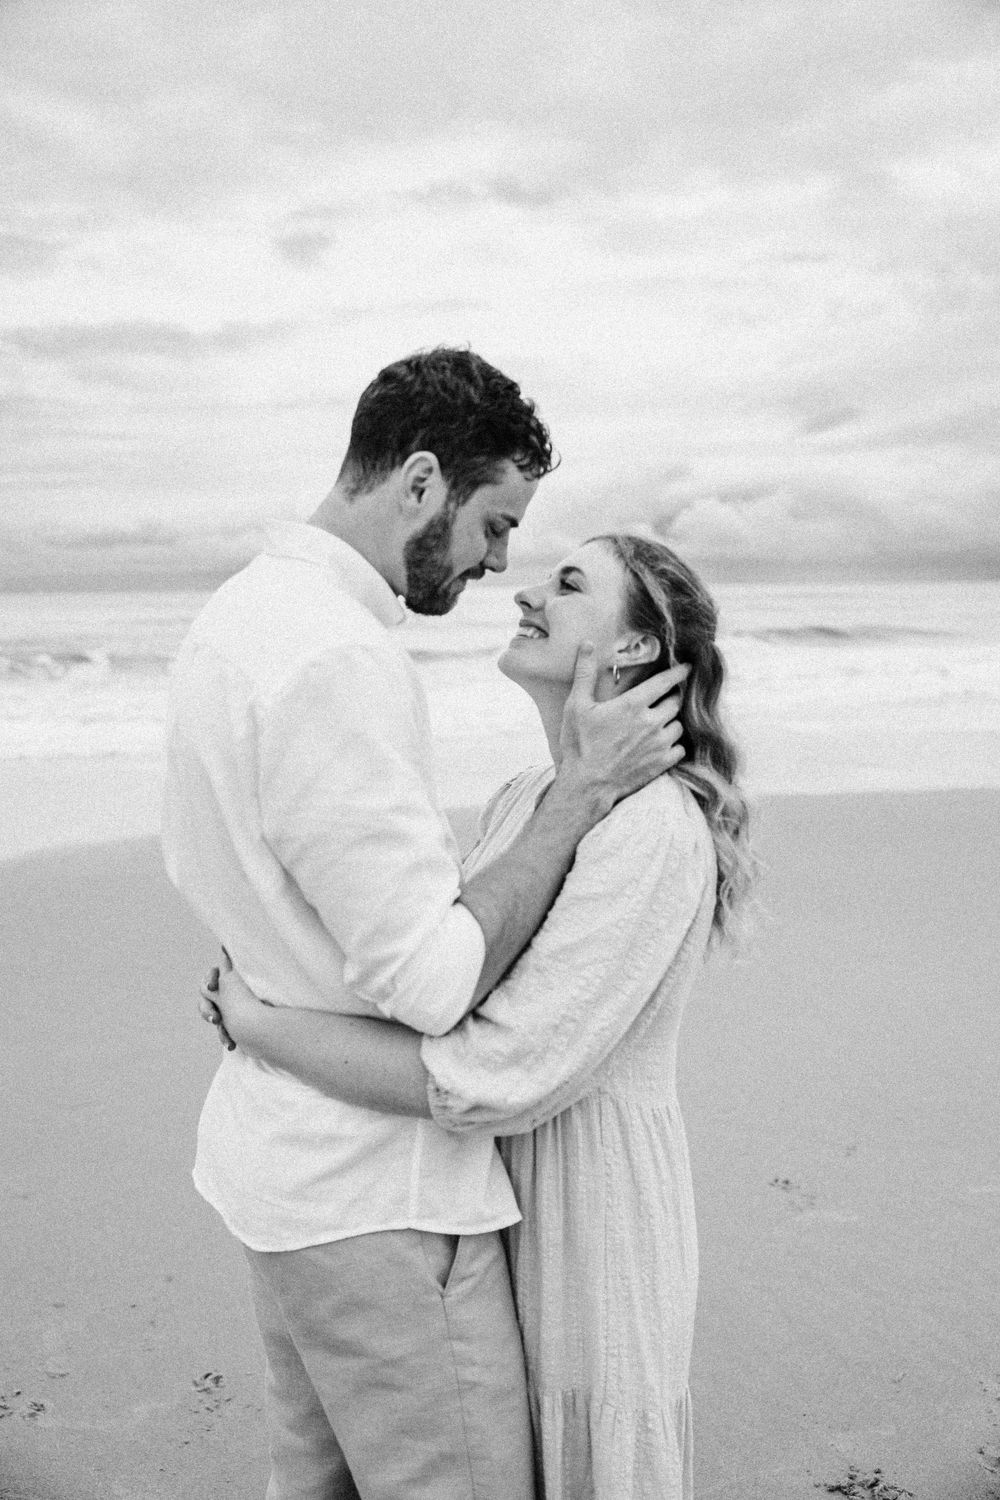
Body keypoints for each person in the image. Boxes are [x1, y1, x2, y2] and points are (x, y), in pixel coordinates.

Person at [162, 348, 688, 1500]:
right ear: (418, 483)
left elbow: (226, 878)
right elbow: (436, 982)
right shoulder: (338, 658)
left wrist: (261, 1010)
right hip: (377, 1197)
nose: (499, 565)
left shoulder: (235, 618)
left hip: (277, 1172)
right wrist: (573, 799)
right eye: (494, 524)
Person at [205, 531, 755, 1500]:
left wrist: (264, 1029)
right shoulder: (527, 798)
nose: (524, 592)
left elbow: (492, 1072)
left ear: (633, 647)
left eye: (569, 584)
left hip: (588, 1212)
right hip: (500, 1186)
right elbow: (442, 982)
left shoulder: (654, 830)